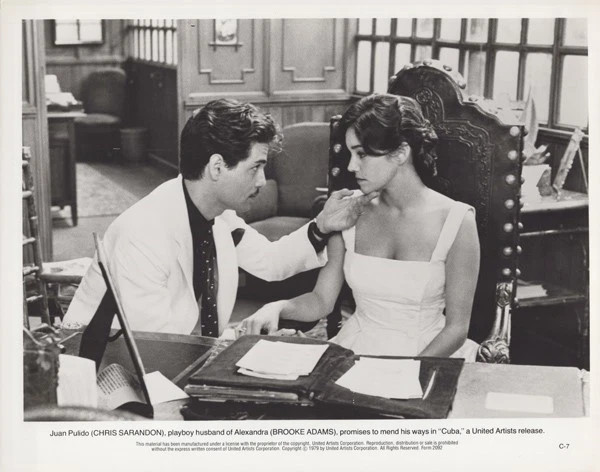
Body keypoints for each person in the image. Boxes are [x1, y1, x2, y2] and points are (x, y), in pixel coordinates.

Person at [62, 98, 376, 336]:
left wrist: (321, 226)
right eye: (256, 167)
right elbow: (153, 348)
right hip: (111, 371)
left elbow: (270, 261)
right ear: (216, 167)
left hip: (173, 355)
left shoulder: (217, 214)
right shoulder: (142, 235)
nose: (262, 181)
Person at [239, 93, 481, 360]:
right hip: (357, 349)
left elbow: (457, 329)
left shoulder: (457, 221)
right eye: (351, 153)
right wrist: (276, 308)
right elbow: (321, 300)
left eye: (362, 154)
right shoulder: (349, 212)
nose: (352, 166)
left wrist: (408, 370)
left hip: (430, 355)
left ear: (401, 153)